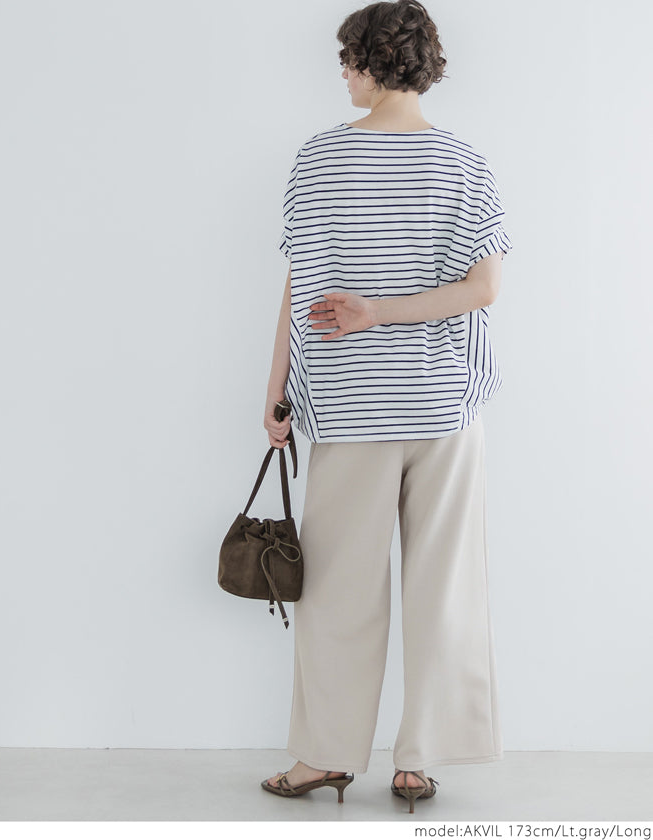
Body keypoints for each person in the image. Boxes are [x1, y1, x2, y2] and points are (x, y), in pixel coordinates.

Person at [260, 0, 513, 812]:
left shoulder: (318, 159)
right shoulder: (465, 162)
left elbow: (299, 284)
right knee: (445, 590)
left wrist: (279, 388)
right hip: (444, 408)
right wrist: (388, 313)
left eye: (348, 58)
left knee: (338, 593)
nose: (342, 73)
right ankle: (419, 759)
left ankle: (324, 758)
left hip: (351, 406)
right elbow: (484, 290)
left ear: (374, 61)